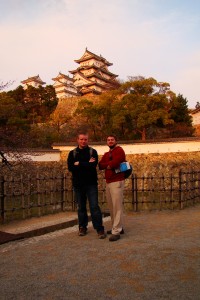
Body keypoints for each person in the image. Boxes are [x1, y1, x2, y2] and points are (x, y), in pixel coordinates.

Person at [67, 132, 106, 239]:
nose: (83, 141)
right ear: (77, 140)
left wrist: (79, 163)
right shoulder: (72, 153)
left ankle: (99, 228)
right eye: (81, 139)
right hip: (78, 184)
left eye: (85, 139)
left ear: (88, 140)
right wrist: (86, 164)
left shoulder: (92, 152)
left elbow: (93, 166)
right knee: (81, 207)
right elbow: (71, 168)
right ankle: (82, 227)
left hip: (91, 184)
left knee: (94, 206)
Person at [99, 135, 125, 242]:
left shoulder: (119, 150)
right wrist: (109, 165)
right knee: (111, 206)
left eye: (112, 140)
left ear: (116, 141)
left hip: (117, 181)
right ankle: (117, 227)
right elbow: (100, 165)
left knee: (117, 207)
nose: (110, 141)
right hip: (109, 182)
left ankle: (116, 231)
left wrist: (108, 165)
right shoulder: (106, 154)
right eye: (108, 140)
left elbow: (116, 163)